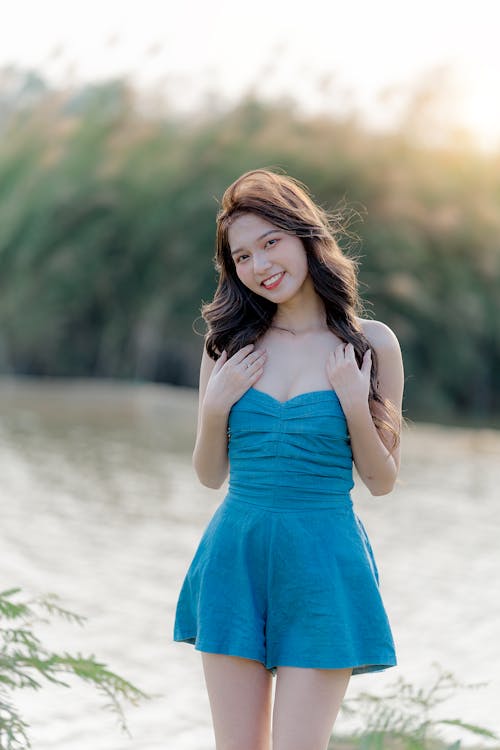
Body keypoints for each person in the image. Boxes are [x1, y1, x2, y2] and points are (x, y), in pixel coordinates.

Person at [173, 168, 405, 750]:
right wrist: (214, 407)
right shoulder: (227, 346)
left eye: (270, 243)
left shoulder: (371, 344)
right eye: (242, 256)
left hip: (324, 561)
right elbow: (209, 475)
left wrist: (355, 404)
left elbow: (381, 482)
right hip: (236, 557)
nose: (260, 265)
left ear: (305, 237)